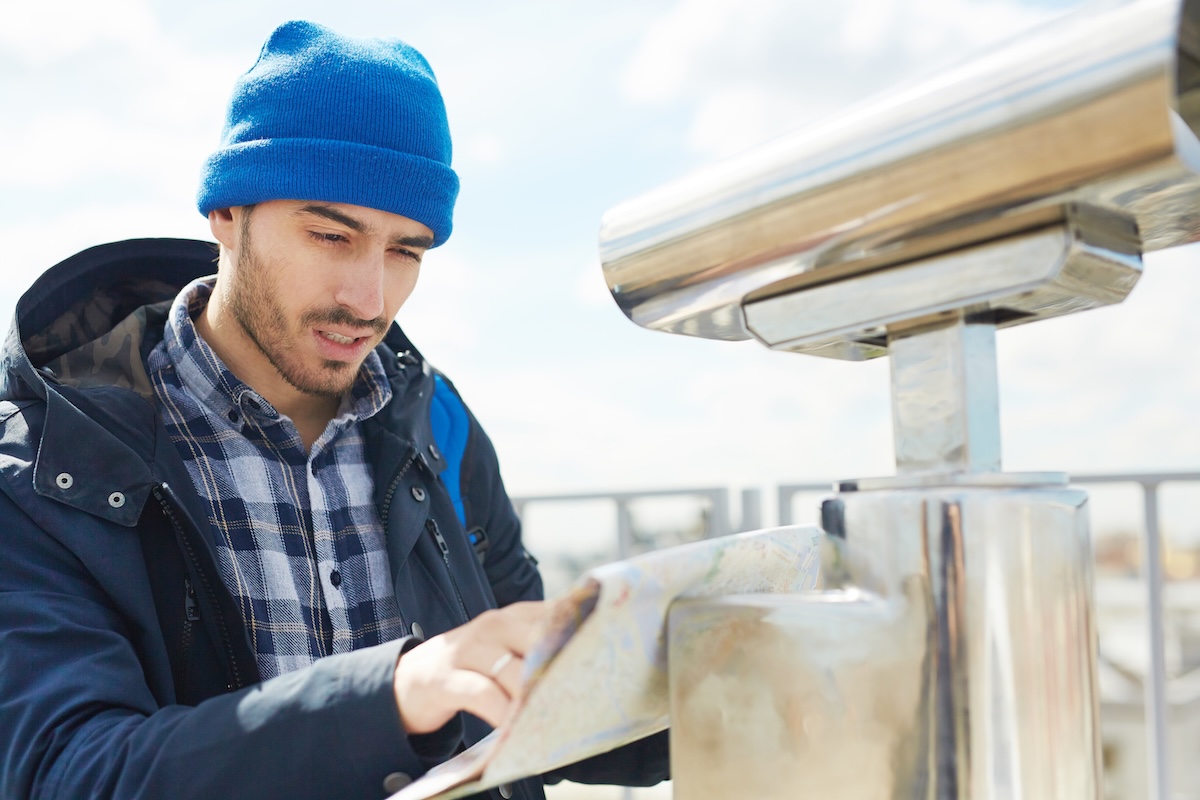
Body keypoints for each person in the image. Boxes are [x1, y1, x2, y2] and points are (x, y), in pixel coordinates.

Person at [0, 20, 668, 800]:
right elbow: (66, 772)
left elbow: (531, 698)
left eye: (406, 251)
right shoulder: (46, 461)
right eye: (330, 235)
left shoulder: (438, 423)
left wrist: (721, 682)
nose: (369, 299)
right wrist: (393, 699)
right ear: (227, 212)